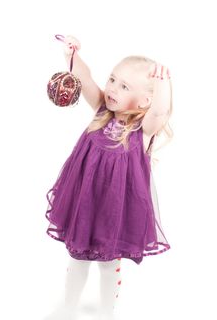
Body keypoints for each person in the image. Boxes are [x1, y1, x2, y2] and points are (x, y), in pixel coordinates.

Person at [44, 35, 173, 320]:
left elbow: (161, 111)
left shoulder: (143, 130)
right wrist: (72, 57)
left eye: (124, 86)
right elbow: (87, 80)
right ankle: (69, 305)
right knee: (77, 257)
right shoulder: (103, 110)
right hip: (85, 199)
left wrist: (163, 83)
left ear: (145, 100)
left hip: (115, 209)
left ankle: (105, 311)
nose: (112, 88)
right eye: (113, 79)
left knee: (107, 262)